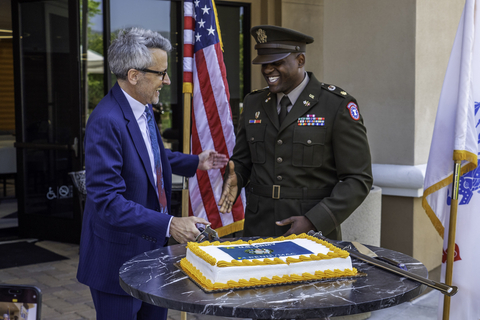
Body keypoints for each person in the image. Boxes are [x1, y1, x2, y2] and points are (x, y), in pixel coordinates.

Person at [77, 27, 228, 320]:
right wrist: (171, 224)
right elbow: (107, 202)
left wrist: (196, 161)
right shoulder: (105, 121)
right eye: (160, 73)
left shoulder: (143, 108)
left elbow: (151, 157)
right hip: (117, 262)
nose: (167, 80)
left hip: (153, 255)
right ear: (134, 76)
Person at [219, 25, 373, 240]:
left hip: (312, 231)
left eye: (277, 63)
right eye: (264, 63)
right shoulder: (253, 102)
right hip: (258, 228)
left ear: (300, 60)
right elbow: (244, 161)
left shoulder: (336, 105)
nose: (267, 70)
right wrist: (237, 176)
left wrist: (315, 220)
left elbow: (357, 179)